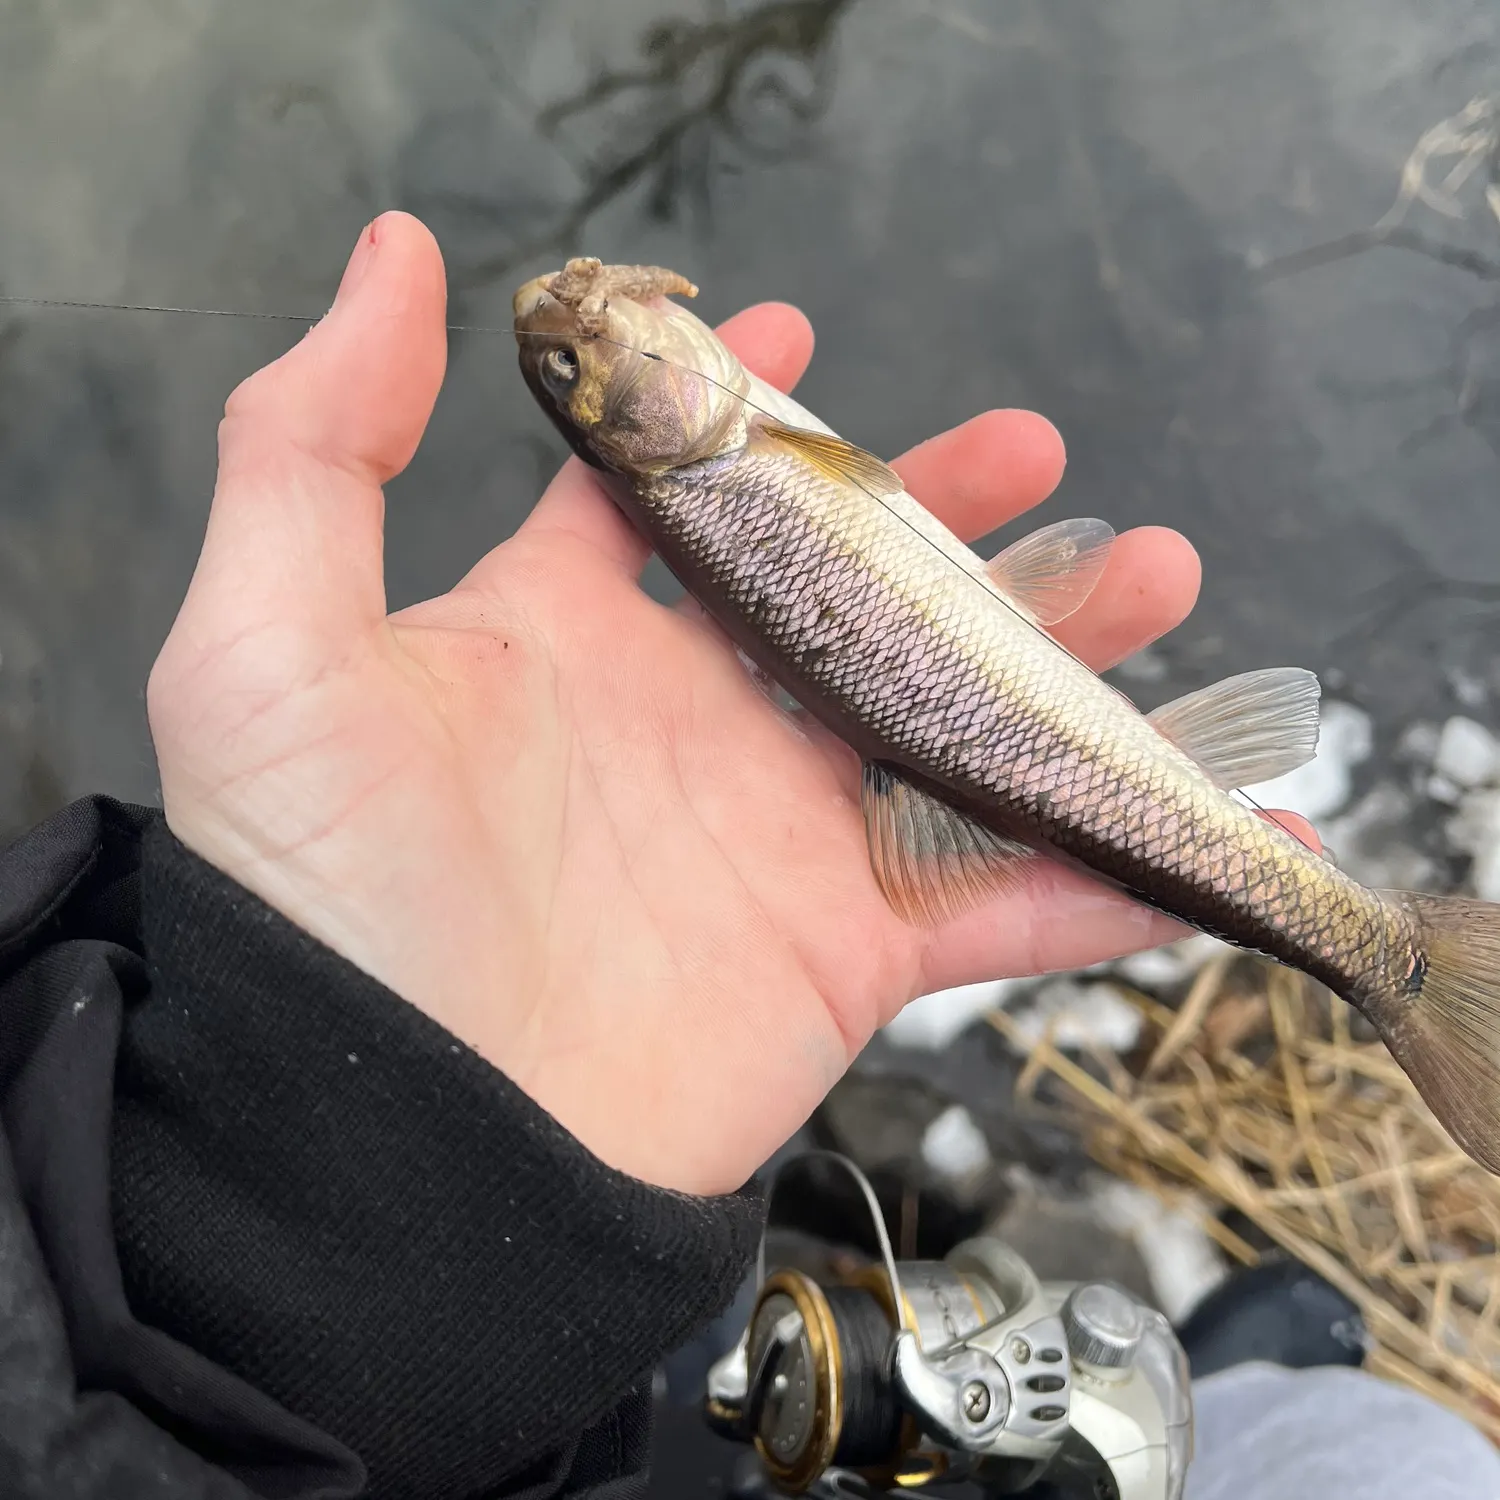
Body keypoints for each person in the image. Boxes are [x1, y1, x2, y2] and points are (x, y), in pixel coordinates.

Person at [1, 213, 1496, 1500]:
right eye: (578, 373)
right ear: (656, 420)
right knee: (1399, 1466)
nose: (577, 334)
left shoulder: (725, 443)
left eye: (576, 363)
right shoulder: (738, 444)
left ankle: (1237, 1369)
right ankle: (1379, 1011)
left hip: (467, 1391)